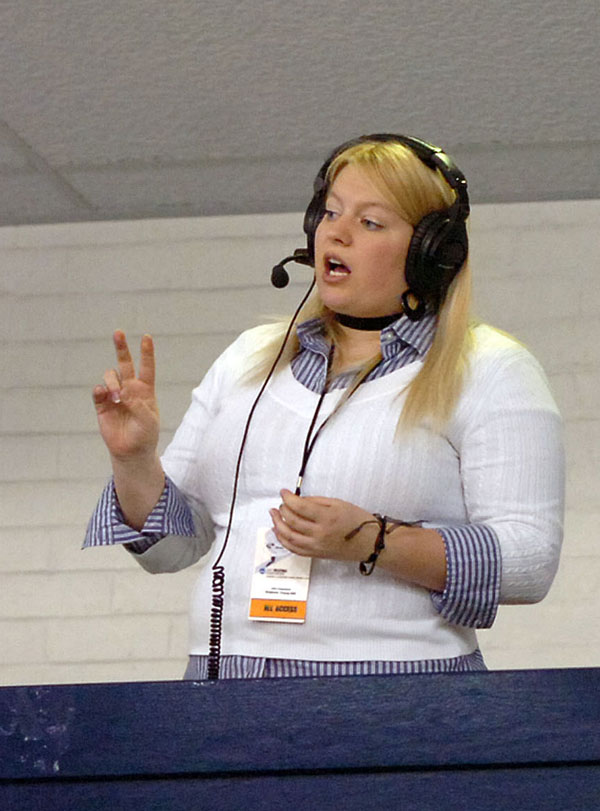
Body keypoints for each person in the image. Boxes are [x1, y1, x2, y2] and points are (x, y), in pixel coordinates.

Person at [85, 134, 564, 680]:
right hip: (225, 687)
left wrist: (371, 541)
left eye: (370, 222)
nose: (335, 231)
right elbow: (169, 548)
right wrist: (134, 459)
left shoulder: (490, 368)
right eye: (331, 212)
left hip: (400, 693)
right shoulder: (249, 359)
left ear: (433, 252)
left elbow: (529, 561)